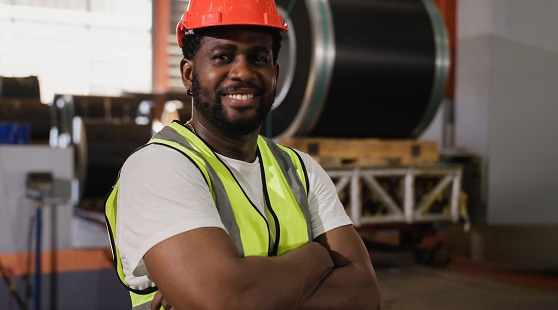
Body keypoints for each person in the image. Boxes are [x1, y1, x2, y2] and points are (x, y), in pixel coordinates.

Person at [105, 0, 381, 309]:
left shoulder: (301, 170)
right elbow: (225, 302)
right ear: (188, 74)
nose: (243, 72)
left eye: (258, 58)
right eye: (223, 56)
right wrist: (318, 258)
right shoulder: (158, 168)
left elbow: (365, 293)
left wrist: (248, 290)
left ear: (275, 73)